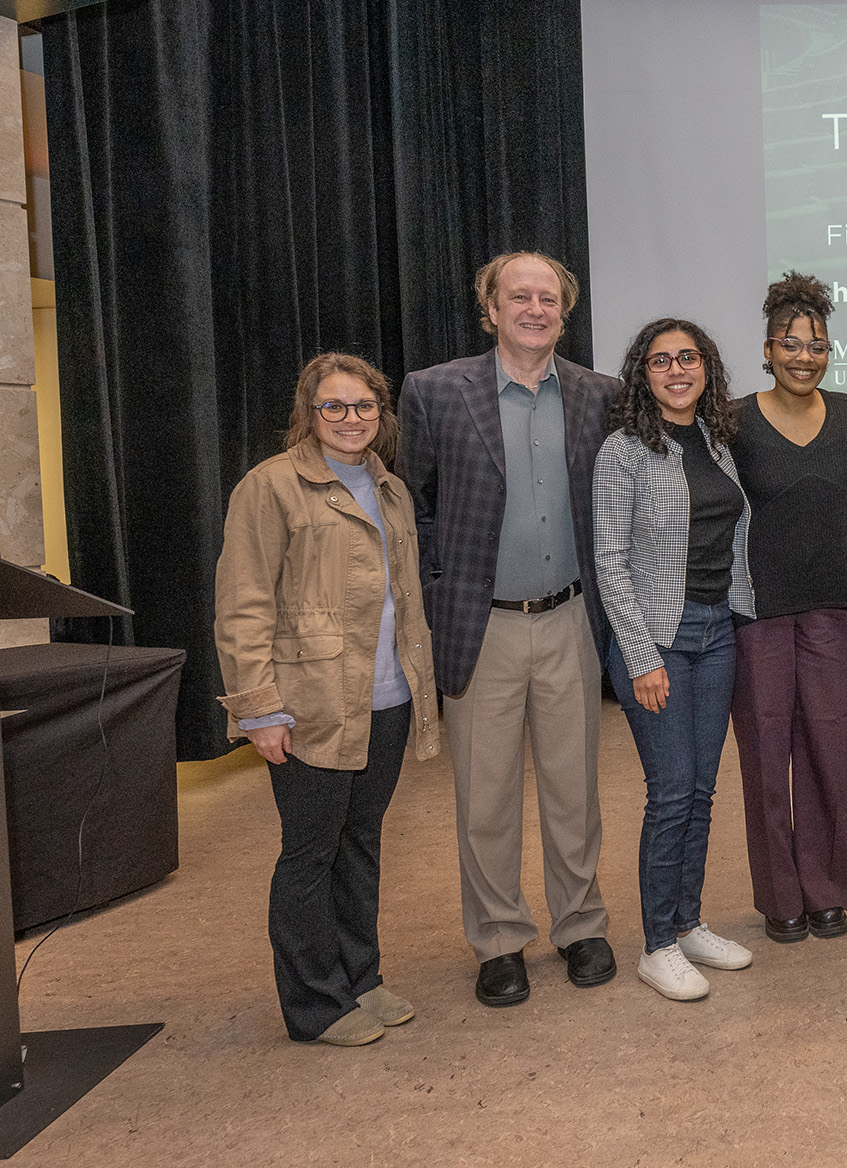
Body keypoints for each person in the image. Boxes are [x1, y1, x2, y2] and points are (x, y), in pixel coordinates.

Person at [397, 252, 620, 1008]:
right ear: (488, 308)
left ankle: (580, 923)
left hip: (570, 620)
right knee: (484, 797)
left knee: (575, 789)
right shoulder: (433, 392)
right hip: (480, 625)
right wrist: (434, 595)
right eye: (517, 296)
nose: (534, 308)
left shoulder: (600, 395)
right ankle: (497, 938)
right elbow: (414, 506)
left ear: (565, 312)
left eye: (548, 299)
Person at [215, 353, 442, 1047]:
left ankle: (361, 979)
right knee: (310, 854)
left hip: (388, 699)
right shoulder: (271, 487)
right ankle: (317, 1005)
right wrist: (259, 707)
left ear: (382, 415)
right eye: (335, 407)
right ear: (309, 415)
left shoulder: (391, 489)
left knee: (361, 844)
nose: (351, 420)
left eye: (365, 407)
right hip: (310, 704)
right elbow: (243, 602)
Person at [594, 318, 757, 1001]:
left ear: (706, 367)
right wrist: (641, 657)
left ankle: (688, 923)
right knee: (670, 793)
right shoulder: (623, 452)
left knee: (701, 790)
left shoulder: (718, 443)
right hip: (657, 641)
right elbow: (609, 560)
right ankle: (656, 944)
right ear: (644, 375)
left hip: (717, 632)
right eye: (661, 361)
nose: (677, 369)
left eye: (687, 357)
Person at [729, 273, 847, 944]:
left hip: (832, 607)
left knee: (826, 753)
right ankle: (780, 896)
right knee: (764, 757)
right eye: (791, 343)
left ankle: (825, 892)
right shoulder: (733, 417)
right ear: (767, 348)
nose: (804, 356)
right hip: (759, 610)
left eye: (816, 344)